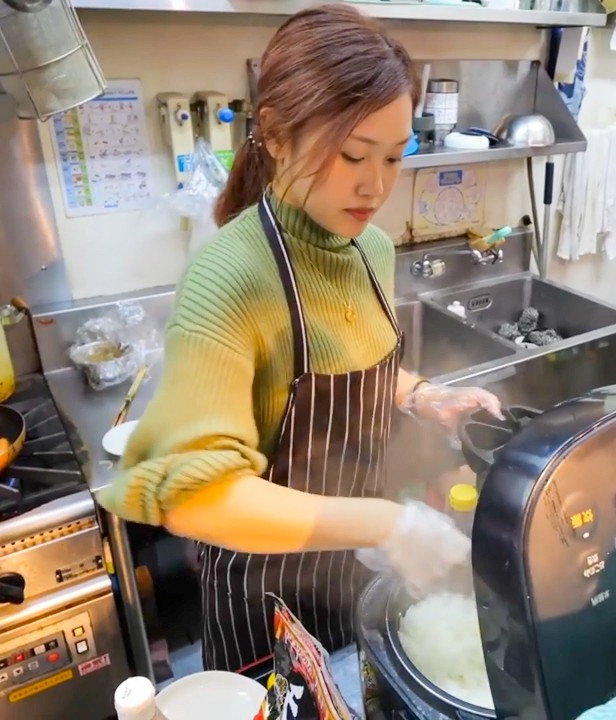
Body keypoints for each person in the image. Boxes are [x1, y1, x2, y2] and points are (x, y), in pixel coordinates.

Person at [97, 4, 502, 675]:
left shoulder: (371, 248)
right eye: (353, 155)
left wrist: (423, 395)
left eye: (395, 156)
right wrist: (387, 524)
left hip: (356, 576)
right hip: (262, 600)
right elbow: (194, 498)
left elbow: (349, 361)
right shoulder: (229, 276)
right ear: (278, 136)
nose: (376, 185)